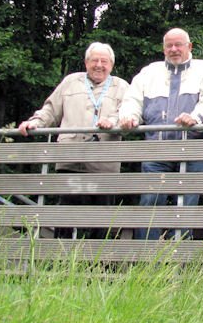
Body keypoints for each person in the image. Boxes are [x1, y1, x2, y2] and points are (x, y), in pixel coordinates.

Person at [18, 42, 130, 238]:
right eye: (94, 60)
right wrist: (36, 122)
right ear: (86, 62)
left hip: (104, 163)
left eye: (104, 61)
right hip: (70, 158)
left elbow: (129, 115)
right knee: (66, 214)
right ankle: (61, 260)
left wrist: (112, 122)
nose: (99, 65)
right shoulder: (71, 81)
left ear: (111, 65)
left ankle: (99, 264)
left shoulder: (122, 86)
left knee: (102, 217)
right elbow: (51, 109)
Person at [118, 28, 203, 240]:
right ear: (163, 49)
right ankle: (147, 259)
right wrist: (129, 117)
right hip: (157, 148)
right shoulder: (149, 72)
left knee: (187, 204)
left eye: (178, 44)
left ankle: (179, 258)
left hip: (193, 147)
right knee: (150, 201)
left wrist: (195, 117)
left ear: (189, 46)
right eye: (169, 45)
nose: (174, 49)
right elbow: (132, 100)